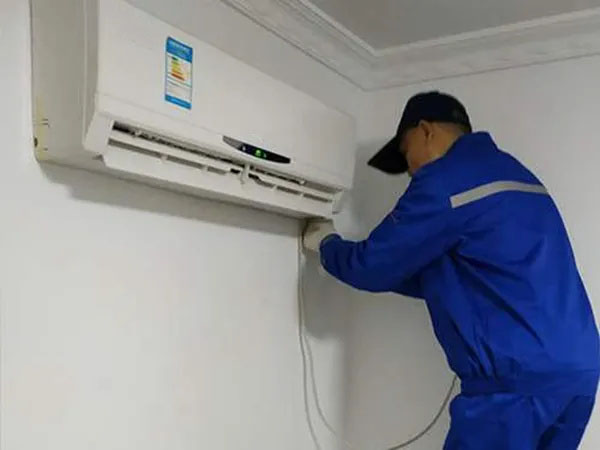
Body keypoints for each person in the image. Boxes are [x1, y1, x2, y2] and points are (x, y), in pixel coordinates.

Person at [303, 91, 600, 450]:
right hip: (578, 374)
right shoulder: (516, 174)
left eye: (406, 152)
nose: (409, 169)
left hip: (515, 385)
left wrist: (326, 244)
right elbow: (462, 273)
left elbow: (372, 266)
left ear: (425, 131)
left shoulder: (445, 181)